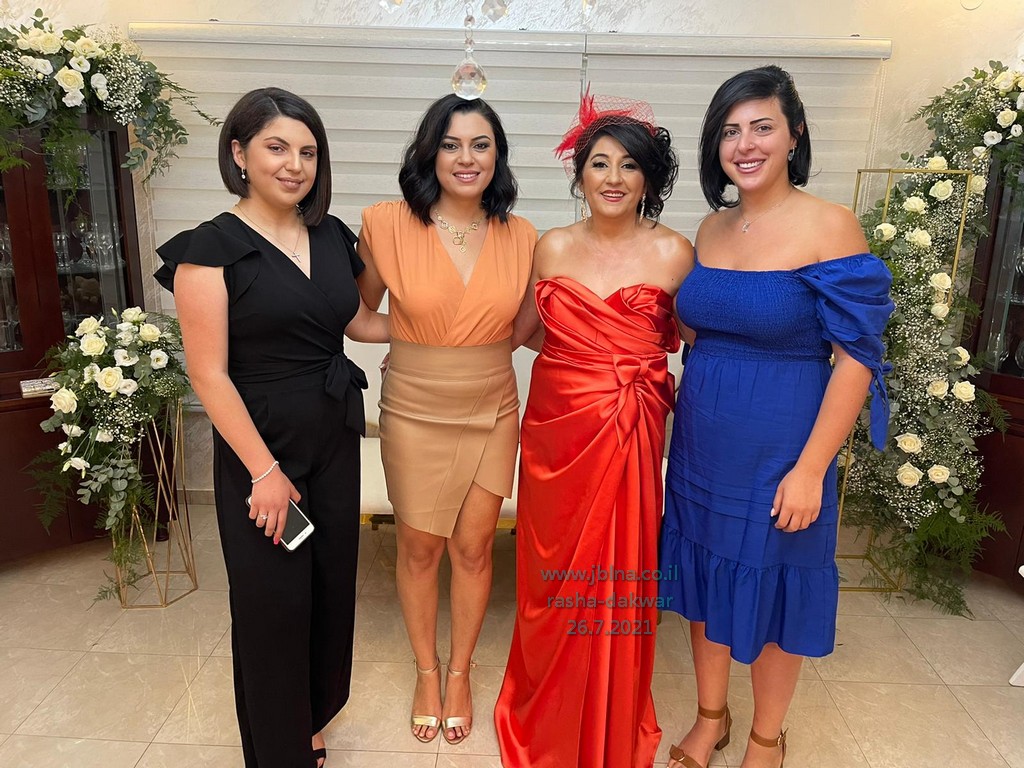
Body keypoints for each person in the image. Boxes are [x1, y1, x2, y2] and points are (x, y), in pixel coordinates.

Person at [658, 65, 894, 768]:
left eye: (762, 126)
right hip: (702, 444)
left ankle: (767, 737)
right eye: (730, 131)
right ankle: (711, 717)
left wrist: (812, 469)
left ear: (795, 134)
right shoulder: (710, 226)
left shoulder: (830, 225)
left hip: (786, 451)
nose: (746, 144)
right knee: (705, 580)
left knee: (775, 589)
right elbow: (696, 329)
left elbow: (856, 359)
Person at [155, 87, 389, 768]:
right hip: (263, 452)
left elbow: (357, 323)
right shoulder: (208, 251)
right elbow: (209, 375)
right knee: (273, 604)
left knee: (328, 590)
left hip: (334, 437)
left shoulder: (331, 235)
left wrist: (449, 324)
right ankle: (281, 750)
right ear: (239, 153)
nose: (295, 165)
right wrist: (264, 472)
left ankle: (310, 719)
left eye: (308, 152)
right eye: (277, 148)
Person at [494, 92, 693, 768]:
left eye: (628, 165)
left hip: (633, 432)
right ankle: (545, 704)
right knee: (550, 571)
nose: (613, 177)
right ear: (579, 174)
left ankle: (610, 707)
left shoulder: (676, 252)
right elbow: (521, 332)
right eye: (599, 163)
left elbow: (700, 340)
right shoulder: (550, 246)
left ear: (649, 178)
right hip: (557, 432)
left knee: (619, 572)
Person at [356, 94, 536, 745]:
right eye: (452, 144)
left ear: (498, 156)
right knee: (418, 548)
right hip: (413, 408)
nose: (466, 158)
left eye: (481, 144)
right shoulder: (385, 223)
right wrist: (415, 340)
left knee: (474, 548)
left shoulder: (524, 237)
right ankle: (426, 671)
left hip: (492, 405)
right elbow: (357, 315)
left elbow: (526, 328)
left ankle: (460, 672)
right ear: (430, 151)